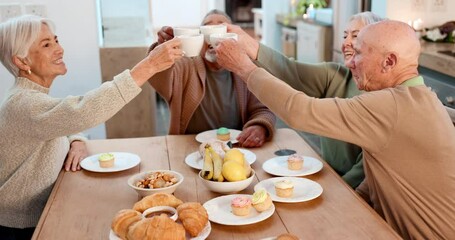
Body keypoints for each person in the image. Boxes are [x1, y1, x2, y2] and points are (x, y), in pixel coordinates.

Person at [215, 20, 455, 239]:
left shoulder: (391, 106)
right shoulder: (421, 97)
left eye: (359, 54)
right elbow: (381, 176)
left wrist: (244, 69)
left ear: (389, 62)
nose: (350, 61)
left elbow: (300, 111)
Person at [0, 15, 182, 240]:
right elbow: (83, 111)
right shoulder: (23, 104)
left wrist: (76, 140)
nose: (59, 49)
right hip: (23, 228)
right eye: (46, 44)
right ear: (21, 61)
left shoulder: (33, 99)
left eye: (56, 40)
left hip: (48, 208)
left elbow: (62, 121)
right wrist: (150, 65)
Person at [225, 12, 383, 188]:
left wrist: (336, 190)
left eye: (355, 36)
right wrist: (246, 41)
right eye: (345, 35)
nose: (346, 42)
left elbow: (365, 170)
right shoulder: (336, 76)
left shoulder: (382, 99)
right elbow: (288, 70)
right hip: (328, 175)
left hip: (353, 190)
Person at [148, 9, 276, 148]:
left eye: (221, 27)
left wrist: (259, 126)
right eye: (207, 27)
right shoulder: (185, 65)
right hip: (188, 149)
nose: (213, 32)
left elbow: (263, 109)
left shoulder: (246, 68)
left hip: (236, 150)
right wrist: (162, 49)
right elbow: (158, 76)